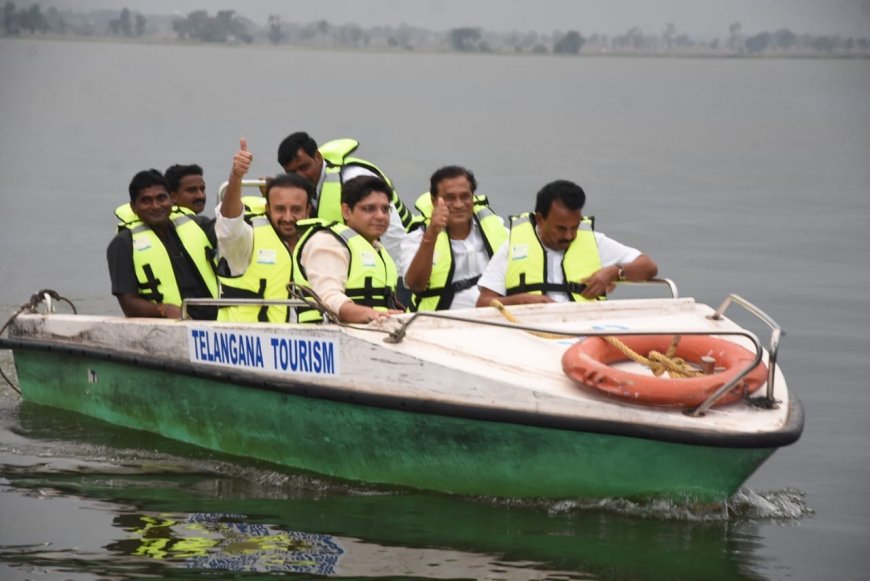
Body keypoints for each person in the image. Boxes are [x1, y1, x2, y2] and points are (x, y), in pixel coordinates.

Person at [477, 180, 658, 306]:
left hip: (584, 331)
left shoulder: (595, 242)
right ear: (540, 219)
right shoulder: (513, 247)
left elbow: (648, 266)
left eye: (575, 227)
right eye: (561, 228)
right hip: (529, 332)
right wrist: (521, 301)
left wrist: (615, 273)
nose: (569, 235)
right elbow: (483, 303)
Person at [215, 138, 314, 323]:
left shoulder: (320, 244)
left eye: (296, 210)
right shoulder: (247, 241)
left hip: (309, 345)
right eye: (279, 209)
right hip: (251, 343)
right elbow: (229, 225)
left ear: (308, 211)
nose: (287, 217)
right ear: (268, 209)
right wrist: (236, 176)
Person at [277, 131, 412, 262]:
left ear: (318, 157)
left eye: (305, 167)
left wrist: (398, 279)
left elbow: (392, 233)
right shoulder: (305, 190)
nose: (301, 176)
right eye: (292, 172)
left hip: (404, 253)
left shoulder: (354, 178)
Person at [107, 169, 218, 320]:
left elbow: (232, 229)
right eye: (146, 200)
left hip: (218, 321)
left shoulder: (199, 225)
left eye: (161, 198)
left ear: (172, 199)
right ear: (134, 207)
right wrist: (164, 309)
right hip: (171, 326)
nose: (155, 206)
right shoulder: (123, 243)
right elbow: (128, 302)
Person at [295, 175, 403, 324]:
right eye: (369, 208)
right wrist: (376, 315)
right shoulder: (327, 242)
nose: (380, 216)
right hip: (330, 340)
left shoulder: (378, 250)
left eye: (385, 209)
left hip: (376, 337)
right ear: (346, 211)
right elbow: (329, 299)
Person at [402, 166, 508, 311]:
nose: (459, 204)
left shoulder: (496, 227)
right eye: (449, 198)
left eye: (465, 196)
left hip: (492, 320)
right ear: (434, 202)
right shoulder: (417, 237)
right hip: (437, 324)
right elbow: (415, 285)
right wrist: (432, 234)